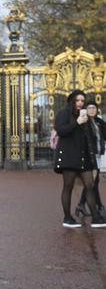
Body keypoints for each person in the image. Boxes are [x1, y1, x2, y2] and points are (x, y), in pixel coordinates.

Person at [54, 90, 106, 228]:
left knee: (90, 185)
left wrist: (93, 162)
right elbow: (61, 131)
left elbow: (88, 138)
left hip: (84, 157)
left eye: (82, 101)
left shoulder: (84, 116)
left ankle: (95, 217)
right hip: (69, 156)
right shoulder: (63, 113)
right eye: (77, 100)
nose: (80, 103)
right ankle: (67, 217)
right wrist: (76, 122)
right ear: (72, 101)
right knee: (68, 187)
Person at [75, 99, 106, 216]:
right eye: (89, 108)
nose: (92, 110)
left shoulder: (99, 122)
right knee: (94, 181)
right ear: (85, 110)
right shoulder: (84, 122)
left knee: (92, 182)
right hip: (88, 157)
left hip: (98, 156)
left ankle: (81, 205)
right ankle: (99, 207)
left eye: (94, 108)